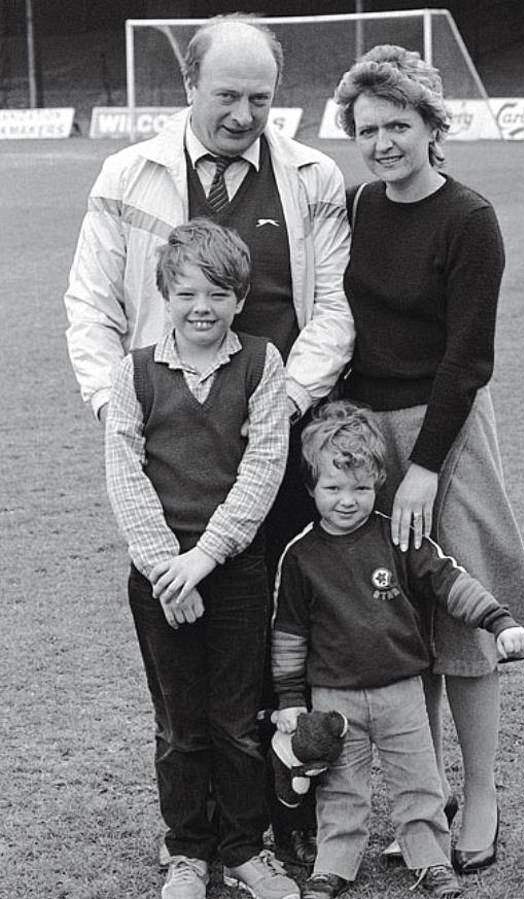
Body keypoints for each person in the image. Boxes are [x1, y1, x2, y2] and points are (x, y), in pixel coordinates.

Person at [64, 13, 353, 863]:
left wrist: (282, 403)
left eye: (260, 97)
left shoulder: (312, 175)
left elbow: (332, 307)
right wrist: (119, 407)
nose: (243, 112)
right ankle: (200, 832)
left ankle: (285, 813)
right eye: (226, 94)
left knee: (288, 633)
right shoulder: (128, 174)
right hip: (172, 449)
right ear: (189, 87)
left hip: (276, 442)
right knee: (191, 649)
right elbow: (90, 304)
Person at [333, 45, 524, 874]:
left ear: (433, 127)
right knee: (400, 620)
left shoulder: (469, 218)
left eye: (399, 126)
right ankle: (424, 802)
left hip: (446, 432)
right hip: (368, 432)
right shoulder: (360, 206)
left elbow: (468, 359)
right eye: (368, 129)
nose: (383, 143)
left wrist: (423, 464)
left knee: (463, 620)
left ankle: (483, 793)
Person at [105, 218, 298, 899]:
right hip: (158, 576)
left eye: (218, 294)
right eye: (187, 293)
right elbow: (125, 472)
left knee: (237, 720)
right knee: (180, 721)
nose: (202, 308)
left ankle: (246, 847)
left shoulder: (261, 362)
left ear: (240, 299)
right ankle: (188, 850)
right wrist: (167, 566)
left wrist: (204, 560)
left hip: (235, 570)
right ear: (165, 295)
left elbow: (263, 468)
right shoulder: (133, 370)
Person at [271, 401, 524, 899]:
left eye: (361, 488)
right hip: (334, 699)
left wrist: (498, 620)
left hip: (402, 692)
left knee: (419, 783)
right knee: (341, 789)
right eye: (333, 488)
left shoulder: (398, 536)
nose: (347, 501)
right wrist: (288, 701)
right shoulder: (300, 557)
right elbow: (288, 635)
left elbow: (451, 581)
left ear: (378, 484)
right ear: (310, 487)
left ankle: (429, 859)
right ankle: (334, 864)